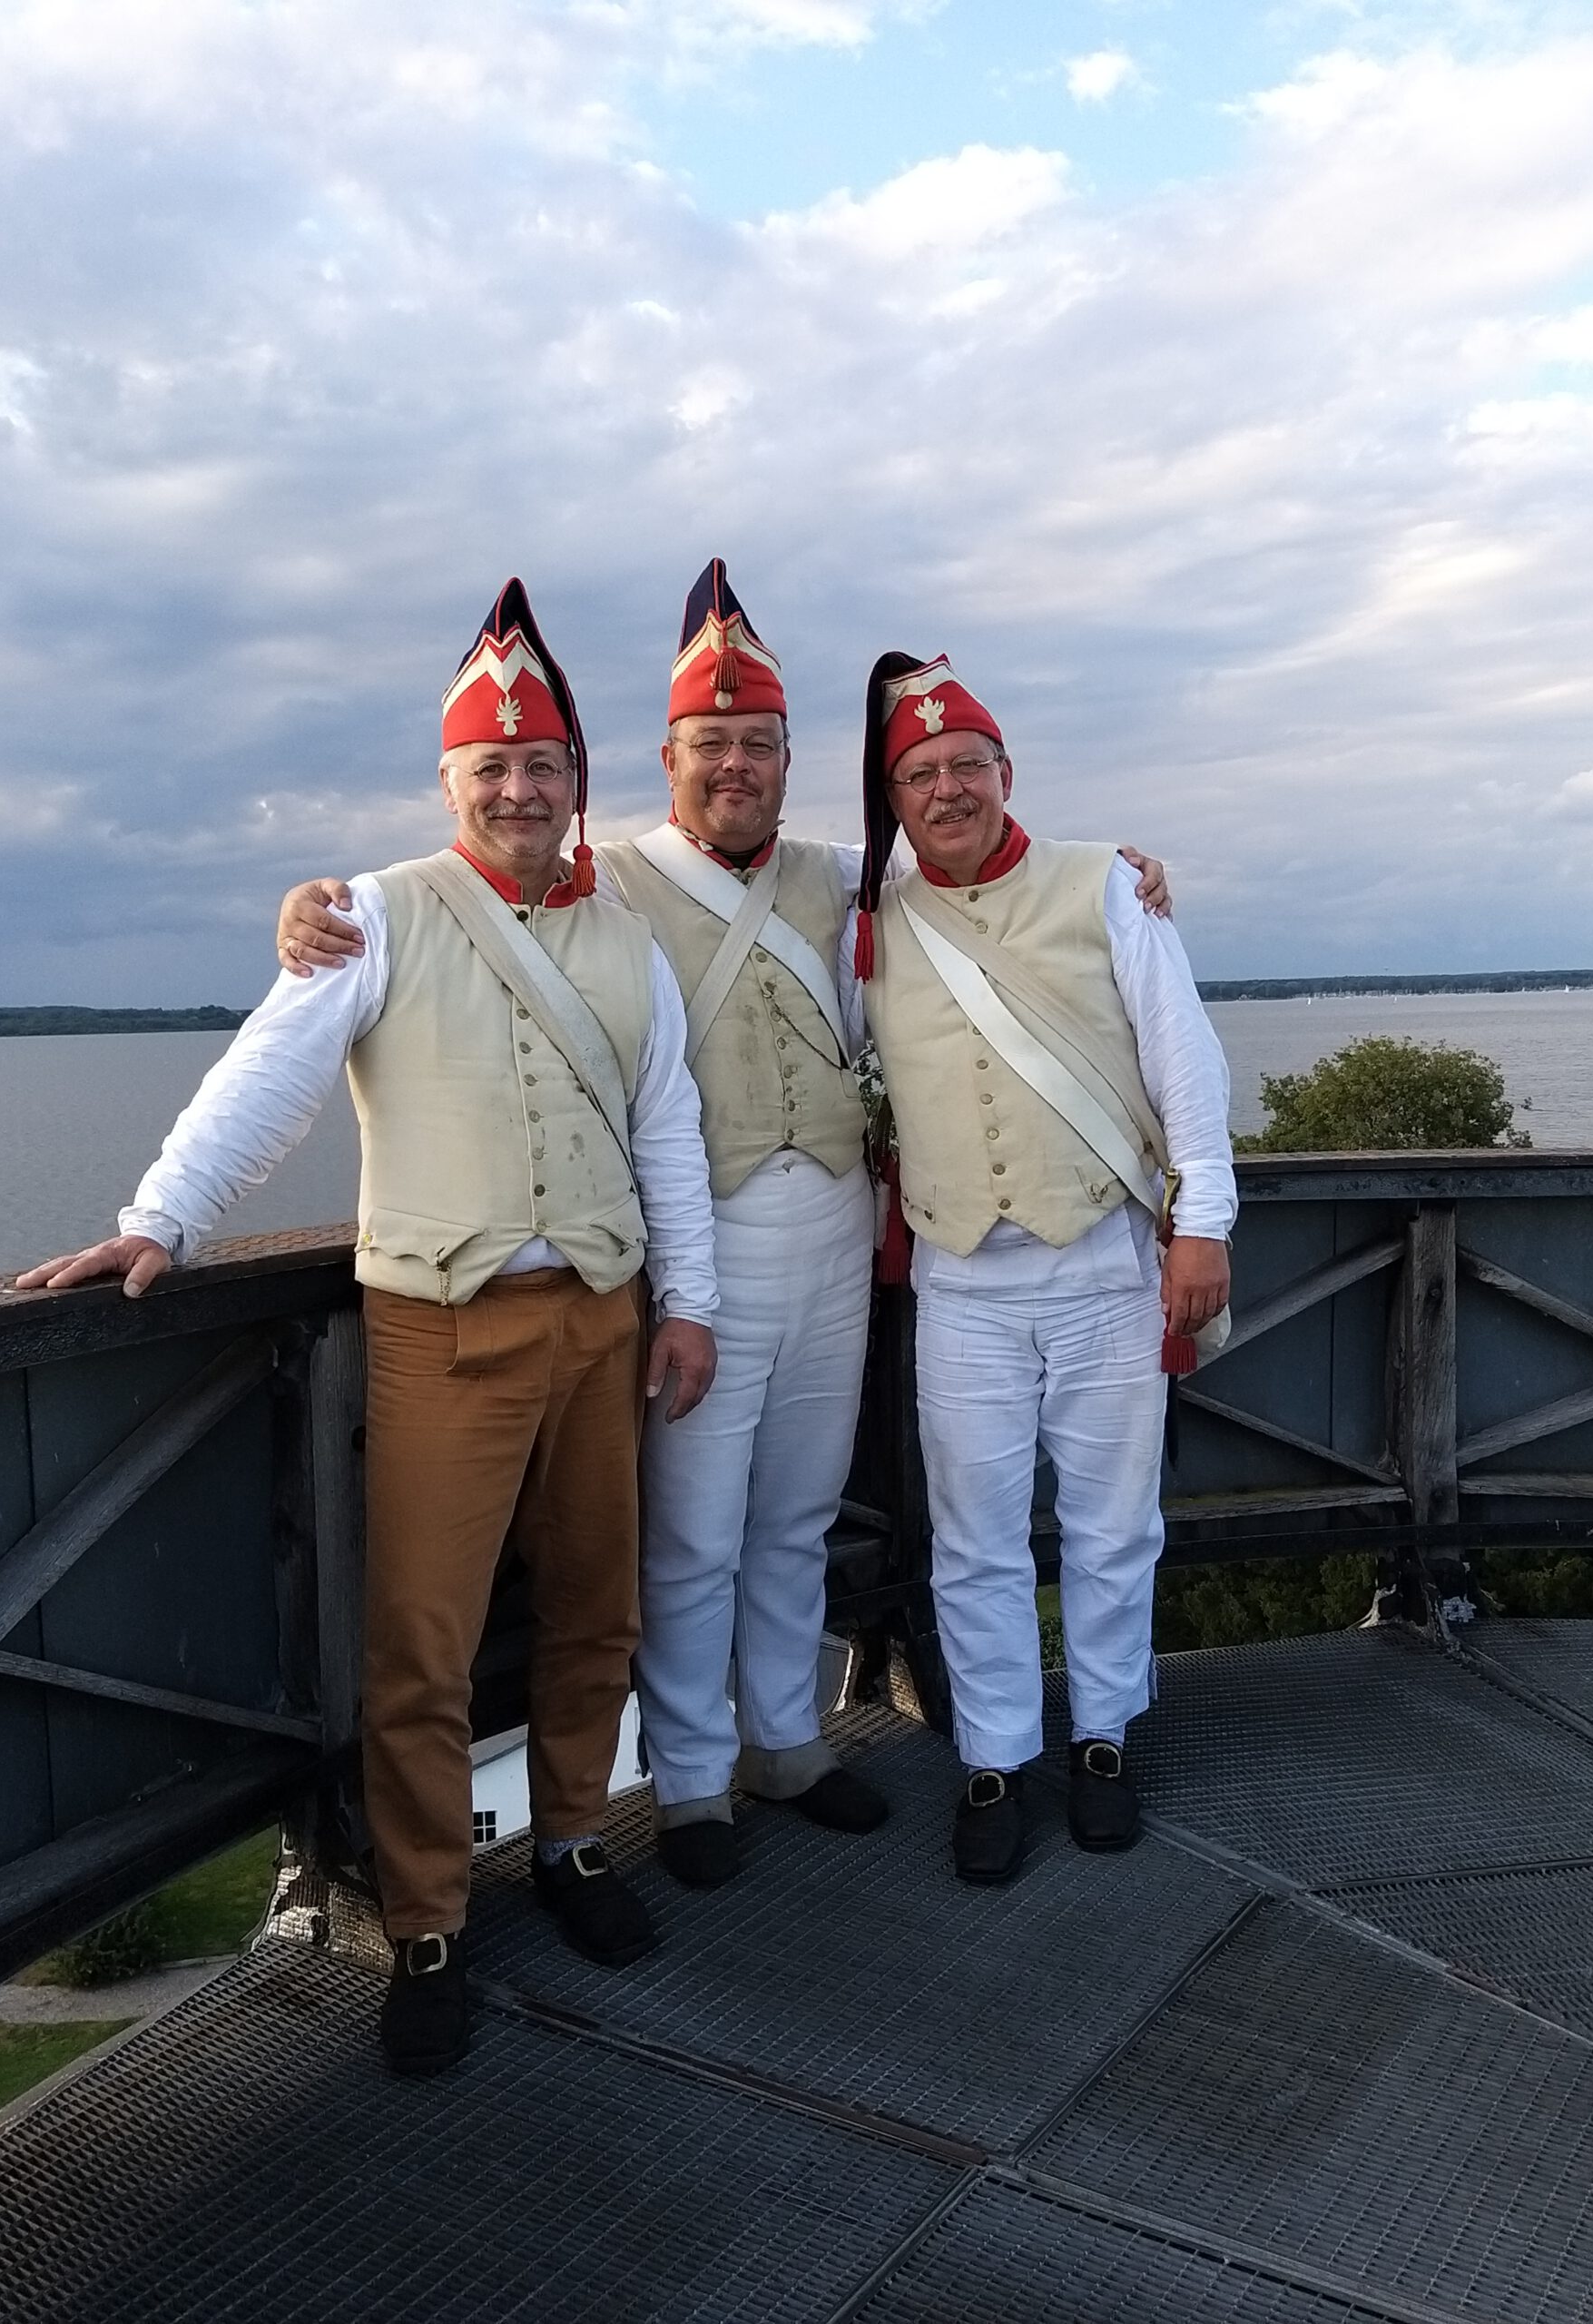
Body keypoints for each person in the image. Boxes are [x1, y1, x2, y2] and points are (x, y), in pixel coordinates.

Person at [273, 572, 1175, 1892]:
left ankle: (786, 1743)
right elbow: (484, 891)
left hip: (837, 1237)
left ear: (789, 759)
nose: (736, 766)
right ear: (669, 759)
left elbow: (989, 878)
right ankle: (693, 1777)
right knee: (693, 1532)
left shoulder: (852, 880)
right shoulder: (609, 884)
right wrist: (318, 909)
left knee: (797, 1514)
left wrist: (1133, 876)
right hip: (703, 1249)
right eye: (713, 744)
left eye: (759, 743)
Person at [18, 580, 719, 2073]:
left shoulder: (625, 939)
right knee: (421, 1643)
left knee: (599, 1606)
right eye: (492, 767)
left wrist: (692, 1308)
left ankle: (575, 1838)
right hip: (443, 1328)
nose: (520, 789)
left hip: (604, 1317)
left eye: (542, 766)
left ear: (575, 781)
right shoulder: (379, 914)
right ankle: (428, 1919)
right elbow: (267, 1080)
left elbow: (669, 1131)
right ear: (451, 783)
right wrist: (162, 1218)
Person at [851, 650, 1234, 1885]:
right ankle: (999, 1753)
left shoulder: (1105, 885)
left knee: (1114, 1523)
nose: (947, 790)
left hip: (1103, 1262)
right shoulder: (868, 911)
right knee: (974, 1537)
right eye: (920, 774)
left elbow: (1185, 1060)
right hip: (963, 1277)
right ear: (894, 798)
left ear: (1006, 772)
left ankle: (1105, 1734)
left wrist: (1204, 1221)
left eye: (967, 765)